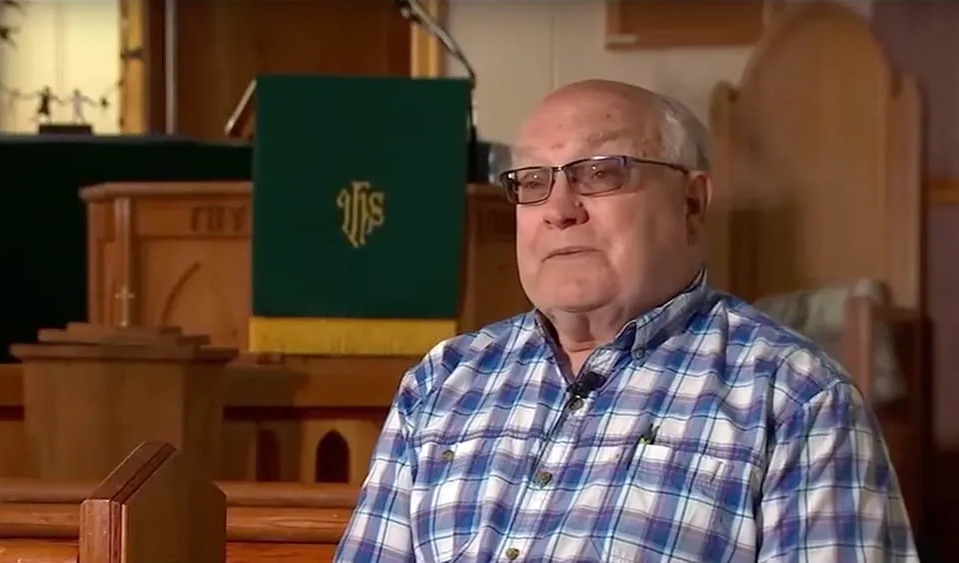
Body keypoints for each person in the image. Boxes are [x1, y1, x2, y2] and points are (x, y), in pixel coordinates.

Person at [334, 79, 917, 562]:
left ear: (691, 203)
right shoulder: (444, 381)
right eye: (533, 181)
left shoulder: (794, 397)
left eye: (599, 172)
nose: (559, 210)